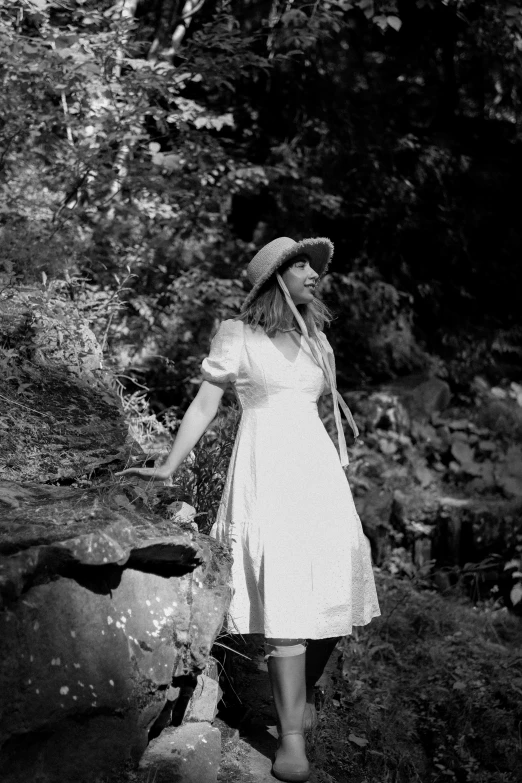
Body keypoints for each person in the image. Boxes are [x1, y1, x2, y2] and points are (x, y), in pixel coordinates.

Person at [116, 236, 380, 782]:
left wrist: (335, 472)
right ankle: (290, 738)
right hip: (266, 472)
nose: (315, 274)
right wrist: (168, 465)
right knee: (284, 594)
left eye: (314, 266)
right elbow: (205, 403)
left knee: (333, 583)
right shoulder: (237, 336)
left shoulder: (319, 342)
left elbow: (323, 415)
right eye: (302, 266)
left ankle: (298, 695)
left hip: (318, 475)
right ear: (277, 278)